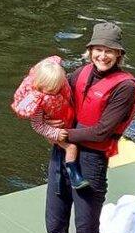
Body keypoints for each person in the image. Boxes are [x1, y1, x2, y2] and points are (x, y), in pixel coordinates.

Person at [35, 21, 135, 233]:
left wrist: (62, 134)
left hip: (91, 162)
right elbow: (52, 89)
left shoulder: (125, 87)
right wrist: (41, 117)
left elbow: (102, 132)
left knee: (87, 230)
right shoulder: (79, 74)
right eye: (98, 49)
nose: (103, 55)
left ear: (119, 55)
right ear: (90, 50)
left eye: (110, 51)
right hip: (59, 157)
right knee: (55, 226)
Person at [12, 56, 86, 190]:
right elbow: (37, 125)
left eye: (58, 87)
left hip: (65, 122)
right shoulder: (37, 103)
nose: (55, 92)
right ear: (39, 85)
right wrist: (55, 133)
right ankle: (74, 177)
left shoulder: (59, 85)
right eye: (52, 90)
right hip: (54, 131)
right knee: (71, 148)